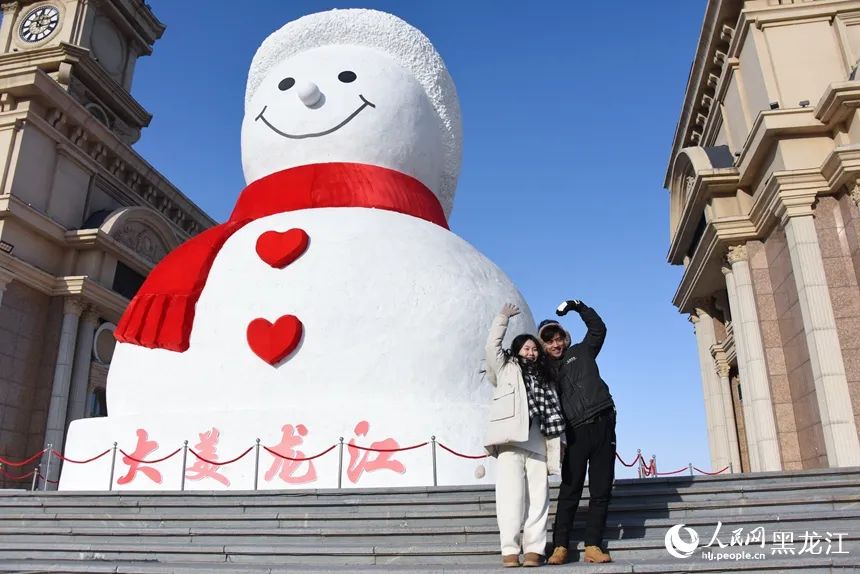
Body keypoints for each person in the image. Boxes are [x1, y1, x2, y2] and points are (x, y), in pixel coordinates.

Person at [484, 303, 565, 568]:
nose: (530, 352)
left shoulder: (546, 376)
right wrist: (502, 317)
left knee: (539, 500)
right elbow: (491, 347)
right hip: (511, 441)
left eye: (534, 349)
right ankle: (509, 549)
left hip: (540, 442)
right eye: (526, 348)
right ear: (517, 349)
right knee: (511, 498)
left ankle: (534, 549)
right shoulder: (506, 368)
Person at [538, 299, 615, 565]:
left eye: (559, 338)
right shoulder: (544, 371)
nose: (556, 344)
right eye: (549, 342)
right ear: (543, 346)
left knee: (601, 489)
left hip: (603, 422)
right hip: (574, 433)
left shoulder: (582, 351)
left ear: (565, 339)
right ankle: (560, 546)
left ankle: (593, 545)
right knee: (570, 490)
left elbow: (598, 329)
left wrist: (578, 306)